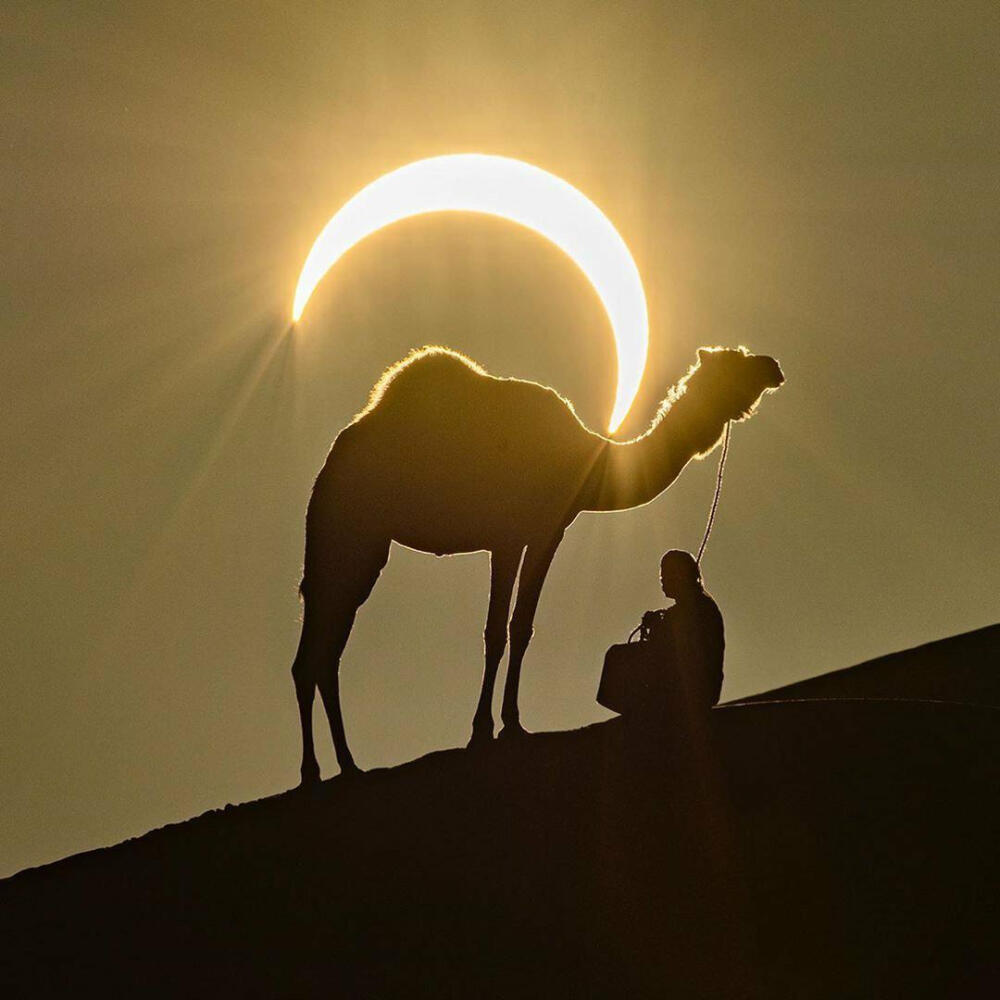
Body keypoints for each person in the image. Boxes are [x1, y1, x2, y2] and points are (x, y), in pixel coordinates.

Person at [641, 550, 725, 717]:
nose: (663, 580)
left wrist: (658, 626)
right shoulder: (695, 606)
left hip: (692, 692)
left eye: (667, 574)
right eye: (662, 575)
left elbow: (675, 650)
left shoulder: (699, 608)